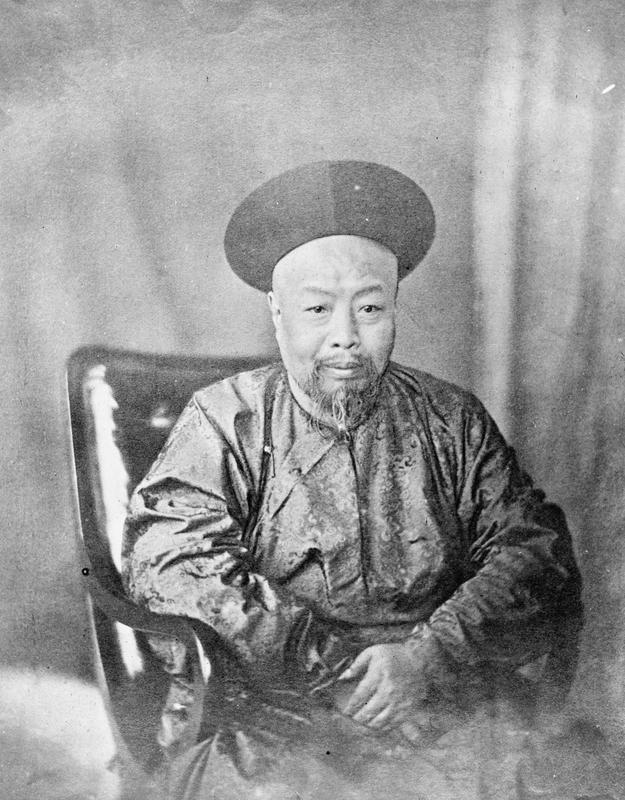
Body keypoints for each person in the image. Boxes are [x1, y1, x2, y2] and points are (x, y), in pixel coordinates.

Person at [122, 161, 583, 800]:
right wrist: (341, 675)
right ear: (278, 313)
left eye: (369, 308)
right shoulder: (224, 420)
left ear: (394, 309)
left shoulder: (452, 420)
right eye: (317, 309)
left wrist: (427, 657)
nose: (346, 339)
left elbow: (533, 552)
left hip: (440, 698)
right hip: (274, 711)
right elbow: (174, 568)